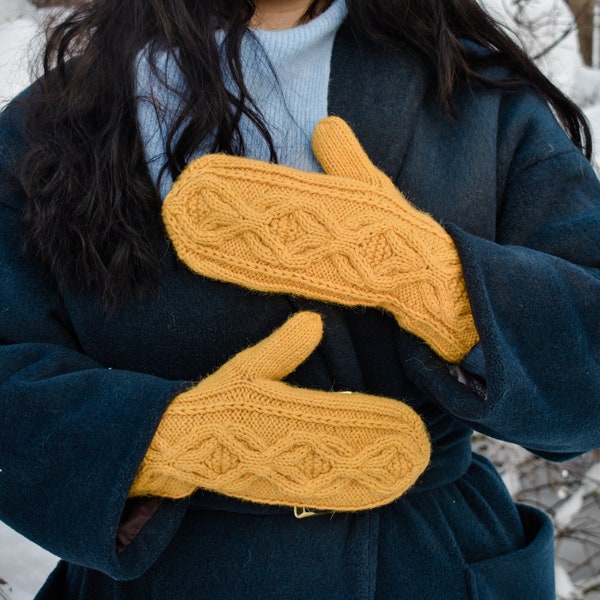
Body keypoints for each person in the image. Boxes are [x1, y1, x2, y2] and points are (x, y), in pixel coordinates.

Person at [0, 0, 598, 597]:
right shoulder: (50, 120)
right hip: (175, 575)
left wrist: (436, 280)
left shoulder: (473, 89)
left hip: (430, 564)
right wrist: (167, 444)